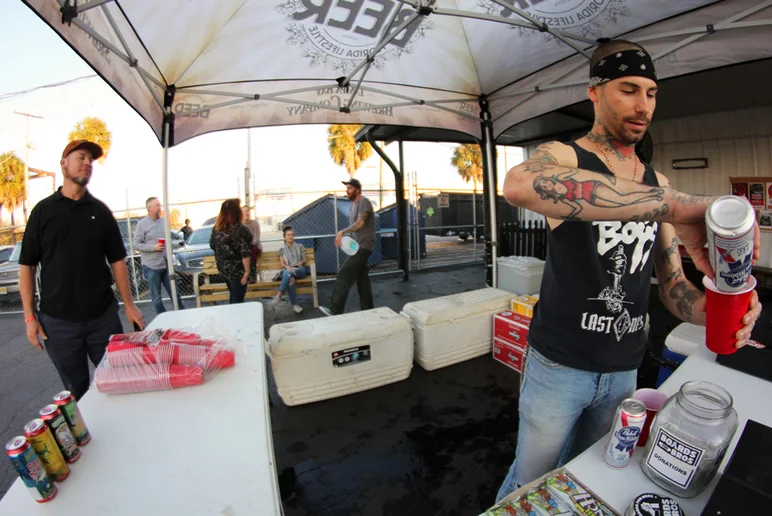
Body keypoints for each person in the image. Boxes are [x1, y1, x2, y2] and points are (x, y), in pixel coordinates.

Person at [496, 39, 762, 501]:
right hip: (559, 366)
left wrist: (718, 311)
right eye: (629, 89)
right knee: (531, 482)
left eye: (652, 93)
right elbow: (518, 185)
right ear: (595, 92)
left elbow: (673, 285)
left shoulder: (657, 183)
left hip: (624, 367)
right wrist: (678, 206)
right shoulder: (566, 157)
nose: (643, 106)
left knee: (588, 479)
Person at [19, 140, 145, 400]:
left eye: (91, 160)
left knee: (117, 383)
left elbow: (118, 260)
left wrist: (129, 304)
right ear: (64, 163)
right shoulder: (43, 212)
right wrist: (30, 318)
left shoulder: (100, 212)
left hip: (103, 319)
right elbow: (27, 266)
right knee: (78, 392)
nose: (88, 163)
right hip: (58, 324)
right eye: (82, 157)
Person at [319, 178, 375, 316]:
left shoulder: (364, 202)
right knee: (362, 280)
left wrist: (342, 232)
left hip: (363, 247)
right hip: (358, 247)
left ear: (357, 189)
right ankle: (368, 310)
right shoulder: (353, 206)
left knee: (343, 276)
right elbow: (357, 229)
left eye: (350, 188)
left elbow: (361, 223)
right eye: (347, 188)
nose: (347, 190)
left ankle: (335, 311)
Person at [133, 196, 184, 314]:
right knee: (156, 297)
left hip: (166, 264)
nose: (159, 208)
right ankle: (163, 318)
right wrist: (153, 247)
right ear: (149, 208)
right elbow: (136, 244)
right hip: (151, 266)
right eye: (157, 206)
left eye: (160, 205)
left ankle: (181, 314)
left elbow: (169, 239)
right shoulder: (142, 224)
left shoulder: (163, 222)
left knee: (175, 293)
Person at [209, 199, 252, 304]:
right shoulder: (240, 229)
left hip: (224, 271)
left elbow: (212, 245)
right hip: (238, 272)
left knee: (234, 295)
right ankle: (235, 319)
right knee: (237, 299)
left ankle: (233, 317)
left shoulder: (216, 229)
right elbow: (245, 252)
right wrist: (247, 272)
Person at [270, 225, 309, 313]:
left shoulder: (300, 246)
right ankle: (295, 305)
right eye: (288, 235)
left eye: (292, 235)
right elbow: (282, 264)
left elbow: (304, 259)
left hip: (299, 270)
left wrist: (298, 264)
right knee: (290, 277)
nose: (290, 236)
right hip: (288, 270)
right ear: (284, 237)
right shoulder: (282, 250)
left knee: (289, 272)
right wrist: (288, 267)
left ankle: (279, 296)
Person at [242, 205, 262, 280]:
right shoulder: (239, 225)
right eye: (243, 212)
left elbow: (256, 237)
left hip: (255, 246)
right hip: (244, 248)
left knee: (251, 251)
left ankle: (252, 274)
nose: (246, 213)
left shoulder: (255, 223)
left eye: (247, 211)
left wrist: (249, 245)